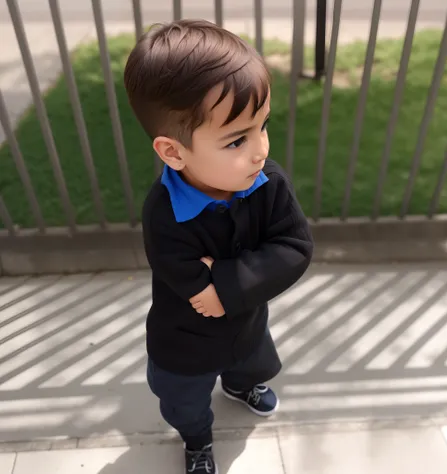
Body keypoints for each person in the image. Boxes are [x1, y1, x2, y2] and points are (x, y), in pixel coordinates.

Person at [124, 19, 314, 474]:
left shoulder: (267, 183)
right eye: (236, 140)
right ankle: (196, 440)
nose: (260, 150)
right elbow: (183, 274)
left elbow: (295, 246)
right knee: (182, 398)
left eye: (262, 126)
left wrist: (224, 282)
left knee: (251, 361)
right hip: (184, 340)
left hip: (245, 321)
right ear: (173, 152)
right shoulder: (165, 211)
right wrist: (216, 281)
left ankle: (239, 385)